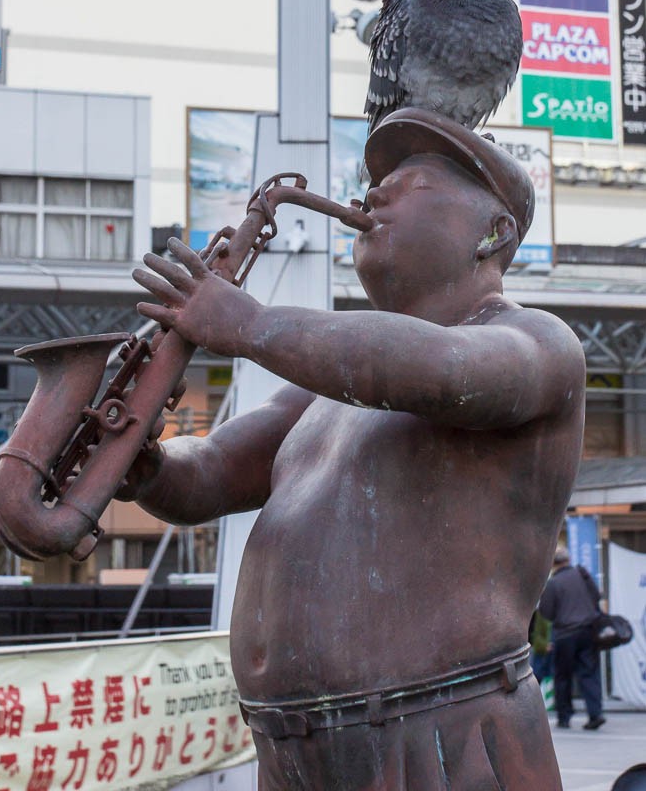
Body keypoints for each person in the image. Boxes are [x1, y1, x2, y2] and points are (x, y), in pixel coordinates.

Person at [126, 107, 586, 790]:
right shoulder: (321, 395)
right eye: (377, 180)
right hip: (292, 751)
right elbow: (208, 475)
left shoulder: (536, 341)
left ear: (492, 233)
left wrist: (251, 325)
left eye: (414, 182)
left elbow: (446, 372)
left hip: (445, 739)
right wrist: (141, 461)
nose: (372, 194)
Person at [539, 546, 604, 731]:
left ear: (553, 563)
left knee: (563, 677)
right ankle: (595, 714)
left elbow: (546, 612)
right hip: (587, 631)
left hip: (565, 635)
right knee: (589, 673)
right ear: (568, 559)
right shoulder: (582, 575)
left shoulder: (553, 583)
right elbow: (597, 596)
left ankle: (565, 717)